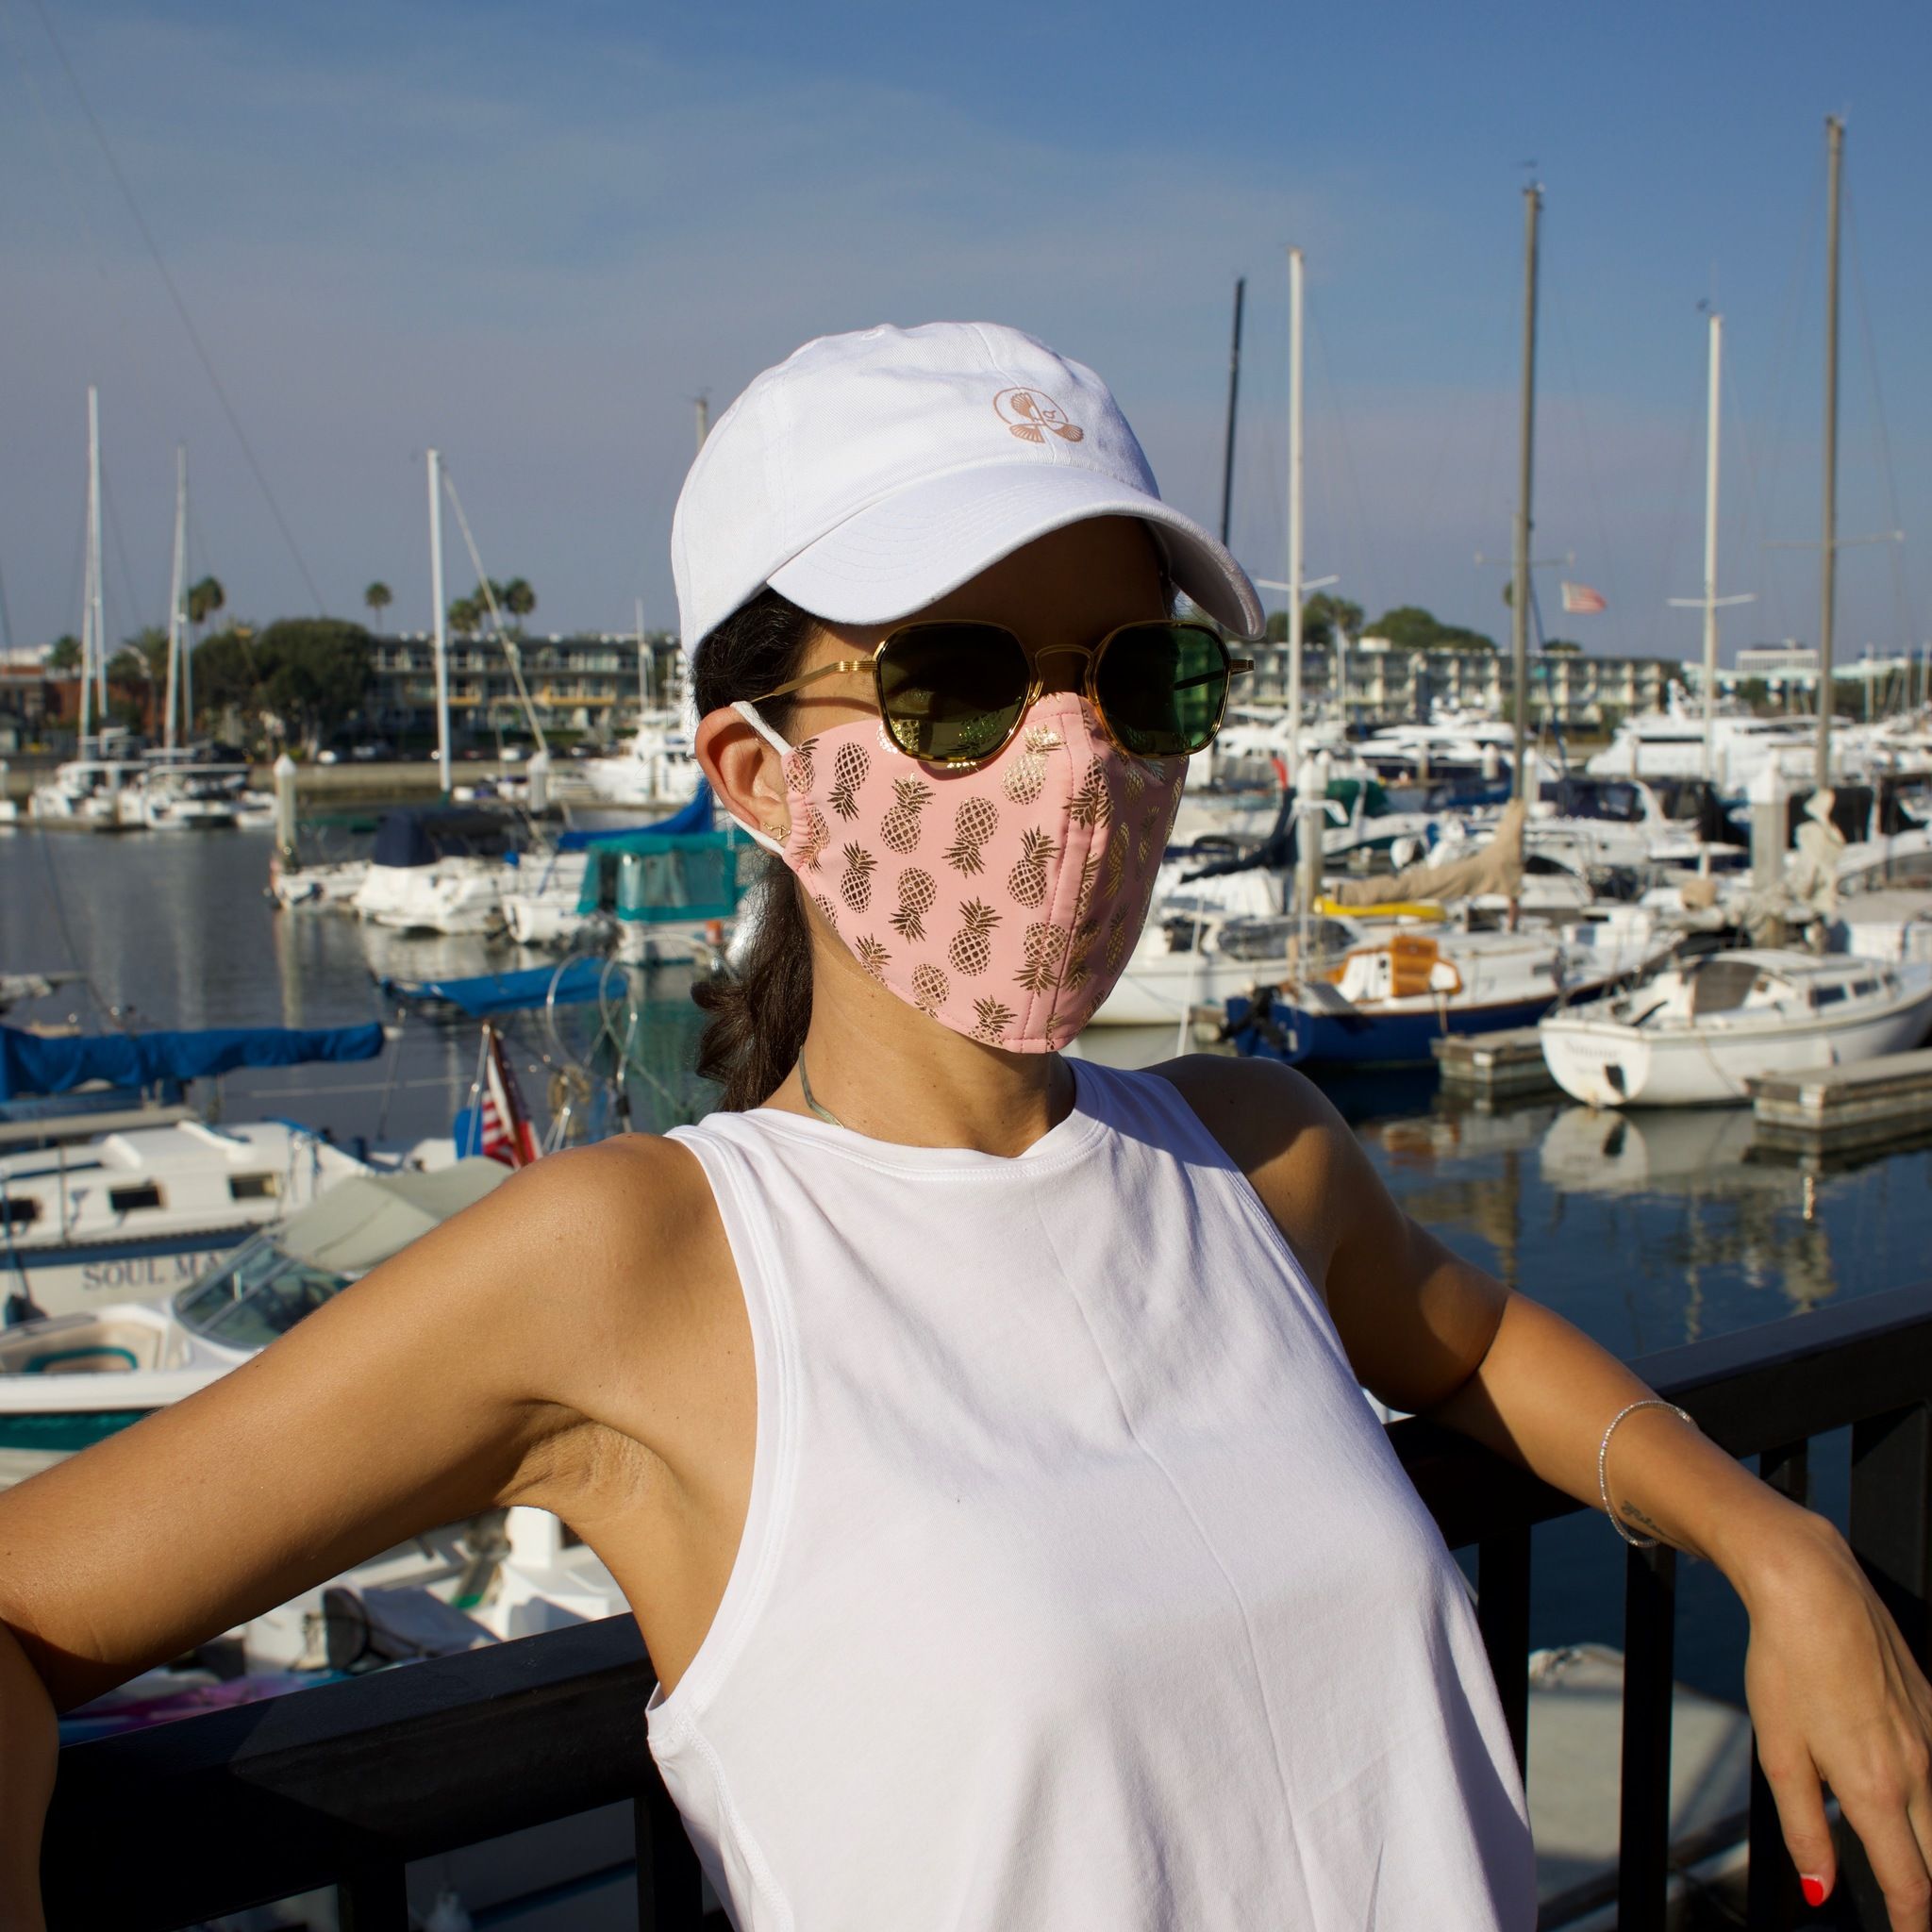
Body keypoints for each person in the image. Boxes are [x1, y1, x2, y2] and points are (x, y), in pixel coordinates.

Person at [1, 322, 1928, 1931]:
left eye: (1138, 674)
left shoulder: (1246, 1154)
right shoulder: (650, 1264)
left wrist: (1771, 1545)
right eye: (958, 681)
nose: (1076, 752)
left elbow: (1471, 1333)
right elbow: (32, 1605)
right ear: (756, 771)